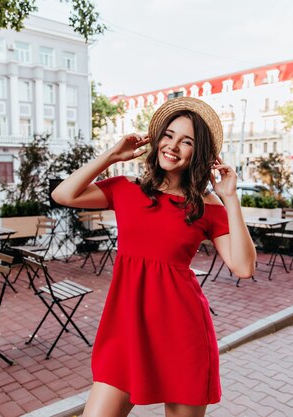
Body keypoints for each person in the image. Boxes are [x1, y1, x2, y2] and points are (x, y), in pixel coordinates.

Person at [52, 97, 257, 417]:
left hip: (182, 333)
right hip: (126, 329)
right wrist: (110, 156)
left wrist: (230, 199)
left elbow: (243, 267)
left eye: (186, 141)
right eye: (169, 135)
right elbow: (64, 194)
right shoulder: (125, 189)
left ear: (198, 153)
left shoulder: (208, 205)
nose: (173, 146)